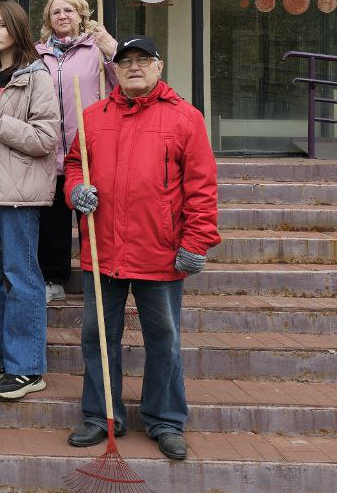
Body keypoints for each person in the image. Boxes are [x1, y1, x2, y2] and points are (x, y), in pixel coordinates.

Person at [64, 34, 220, 462]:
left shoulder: (185, 118)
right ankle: (101, 416)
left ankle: (165, 420)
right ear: (114, 70)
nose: (133, 67)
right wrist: (75, 190)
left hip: (160, 251)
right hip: (104, 248)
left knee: (164, 339)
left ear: (159, 66)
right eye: (125, 61)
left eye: (143, 60)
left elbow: (202, 188)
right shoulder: (93, 116)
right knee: (98, 336)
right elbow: (75, 164)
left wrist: (197, 242)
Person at [0, 1, 58, 401]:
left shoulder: (37, 76)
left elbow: (45, 138)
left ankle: (27, 367)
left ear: (18, 29)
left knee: (20, 275)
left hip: (17, 191)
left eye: (2, 25)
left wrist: (0, 125)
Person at [36, 0, 118, 303]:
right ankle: (53, 278)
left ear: (81, 14)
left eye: (69, 10)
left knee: (91, 214)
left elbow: (122, 84)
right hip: (48, 148)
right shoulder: (38, 53)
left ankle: (98, 276)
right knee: (52, 219)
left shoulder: (96, 49)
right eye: (56, 11)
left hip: (88, 146)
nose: (62, 16)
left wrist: (112, 52)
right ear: (48, 18)